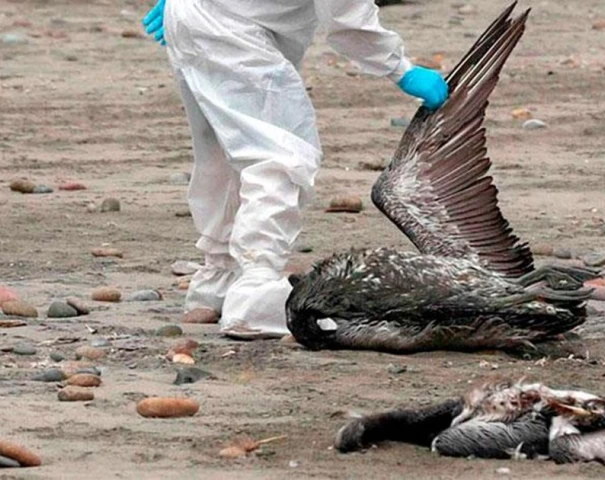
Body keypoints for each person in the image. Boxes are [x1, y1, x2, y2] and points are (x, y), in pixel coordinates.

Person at [142, 0, 449, 339]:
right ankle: (255, 292)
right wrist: (401, 69)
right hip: (232, 27)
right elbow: (345, 16)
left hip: (201, 15)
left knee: (223, 149)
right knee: (279, 155)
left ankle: (219, 279)